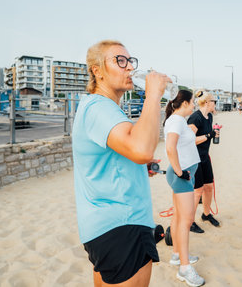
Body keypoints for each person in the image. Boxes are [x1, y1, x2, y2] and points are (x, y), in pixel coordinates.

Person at [72, 40, 169, 287]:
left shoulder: (96, 107)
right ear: (97, 70)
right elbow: (142, 149)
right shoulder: (99, 107)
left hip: (105, 227)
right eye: (120, 61)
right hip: (123, 225)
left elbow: (120, 155)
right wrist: (154, 95)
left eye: (130, 61)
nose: (129, 68)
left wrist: (137, 167)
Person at [164, 90, 205, 287]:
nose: (194, 106)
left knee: (179, 217)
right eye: (193, 103)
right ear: (186, 103)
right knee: (187, 220)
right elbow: (170, 148)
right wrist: (181, 173)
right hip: (183, 174)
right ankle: (184, 268)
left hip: (184, 172)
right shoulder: (176, 121)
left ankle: (177, 255)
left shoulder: (179, 120)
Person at [187, 90, 220, 234]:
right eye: (214, 101)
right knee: (197, 191)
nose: (215, 104)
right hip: (194, 158)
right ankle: (190, 222)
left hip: (205, 157)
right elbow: (189, 140)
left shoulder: (209, 116)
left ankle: (206, 214)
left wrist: (214, 132)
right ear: (207, 102)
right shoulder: (195, 118)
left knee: (209, 187)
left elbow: (207, 135)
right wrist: (208, 135)